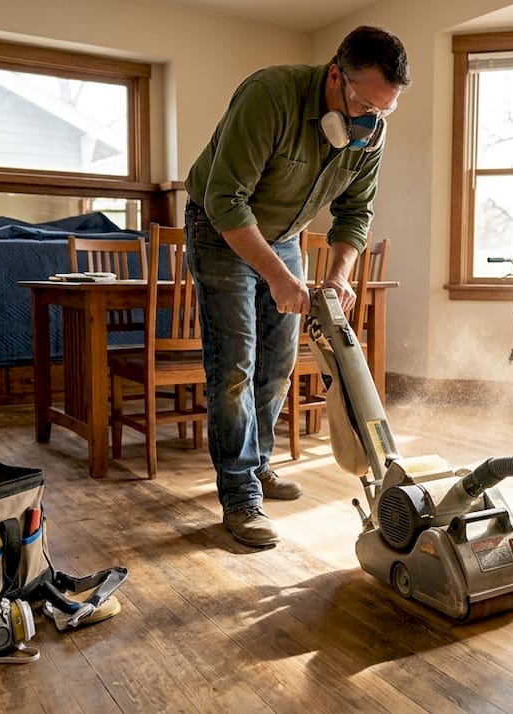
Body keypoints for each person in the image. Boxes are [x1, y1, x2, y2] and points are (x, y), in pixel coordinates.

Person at [184, 25, 410, 547]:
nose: (369, 122)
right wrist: (280, 276)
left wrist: (337, 277)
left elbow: (356, 212)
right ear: (336, 75)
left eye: (384, 112)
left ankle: (257, 464)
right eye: (363, 105)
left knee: (279, 360)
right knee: (236, 363)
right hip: (220, 227)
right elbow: (225, 200)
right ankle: (240, 497)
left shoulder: (371, 129)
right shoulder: (270, 96)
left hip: (282, 232)